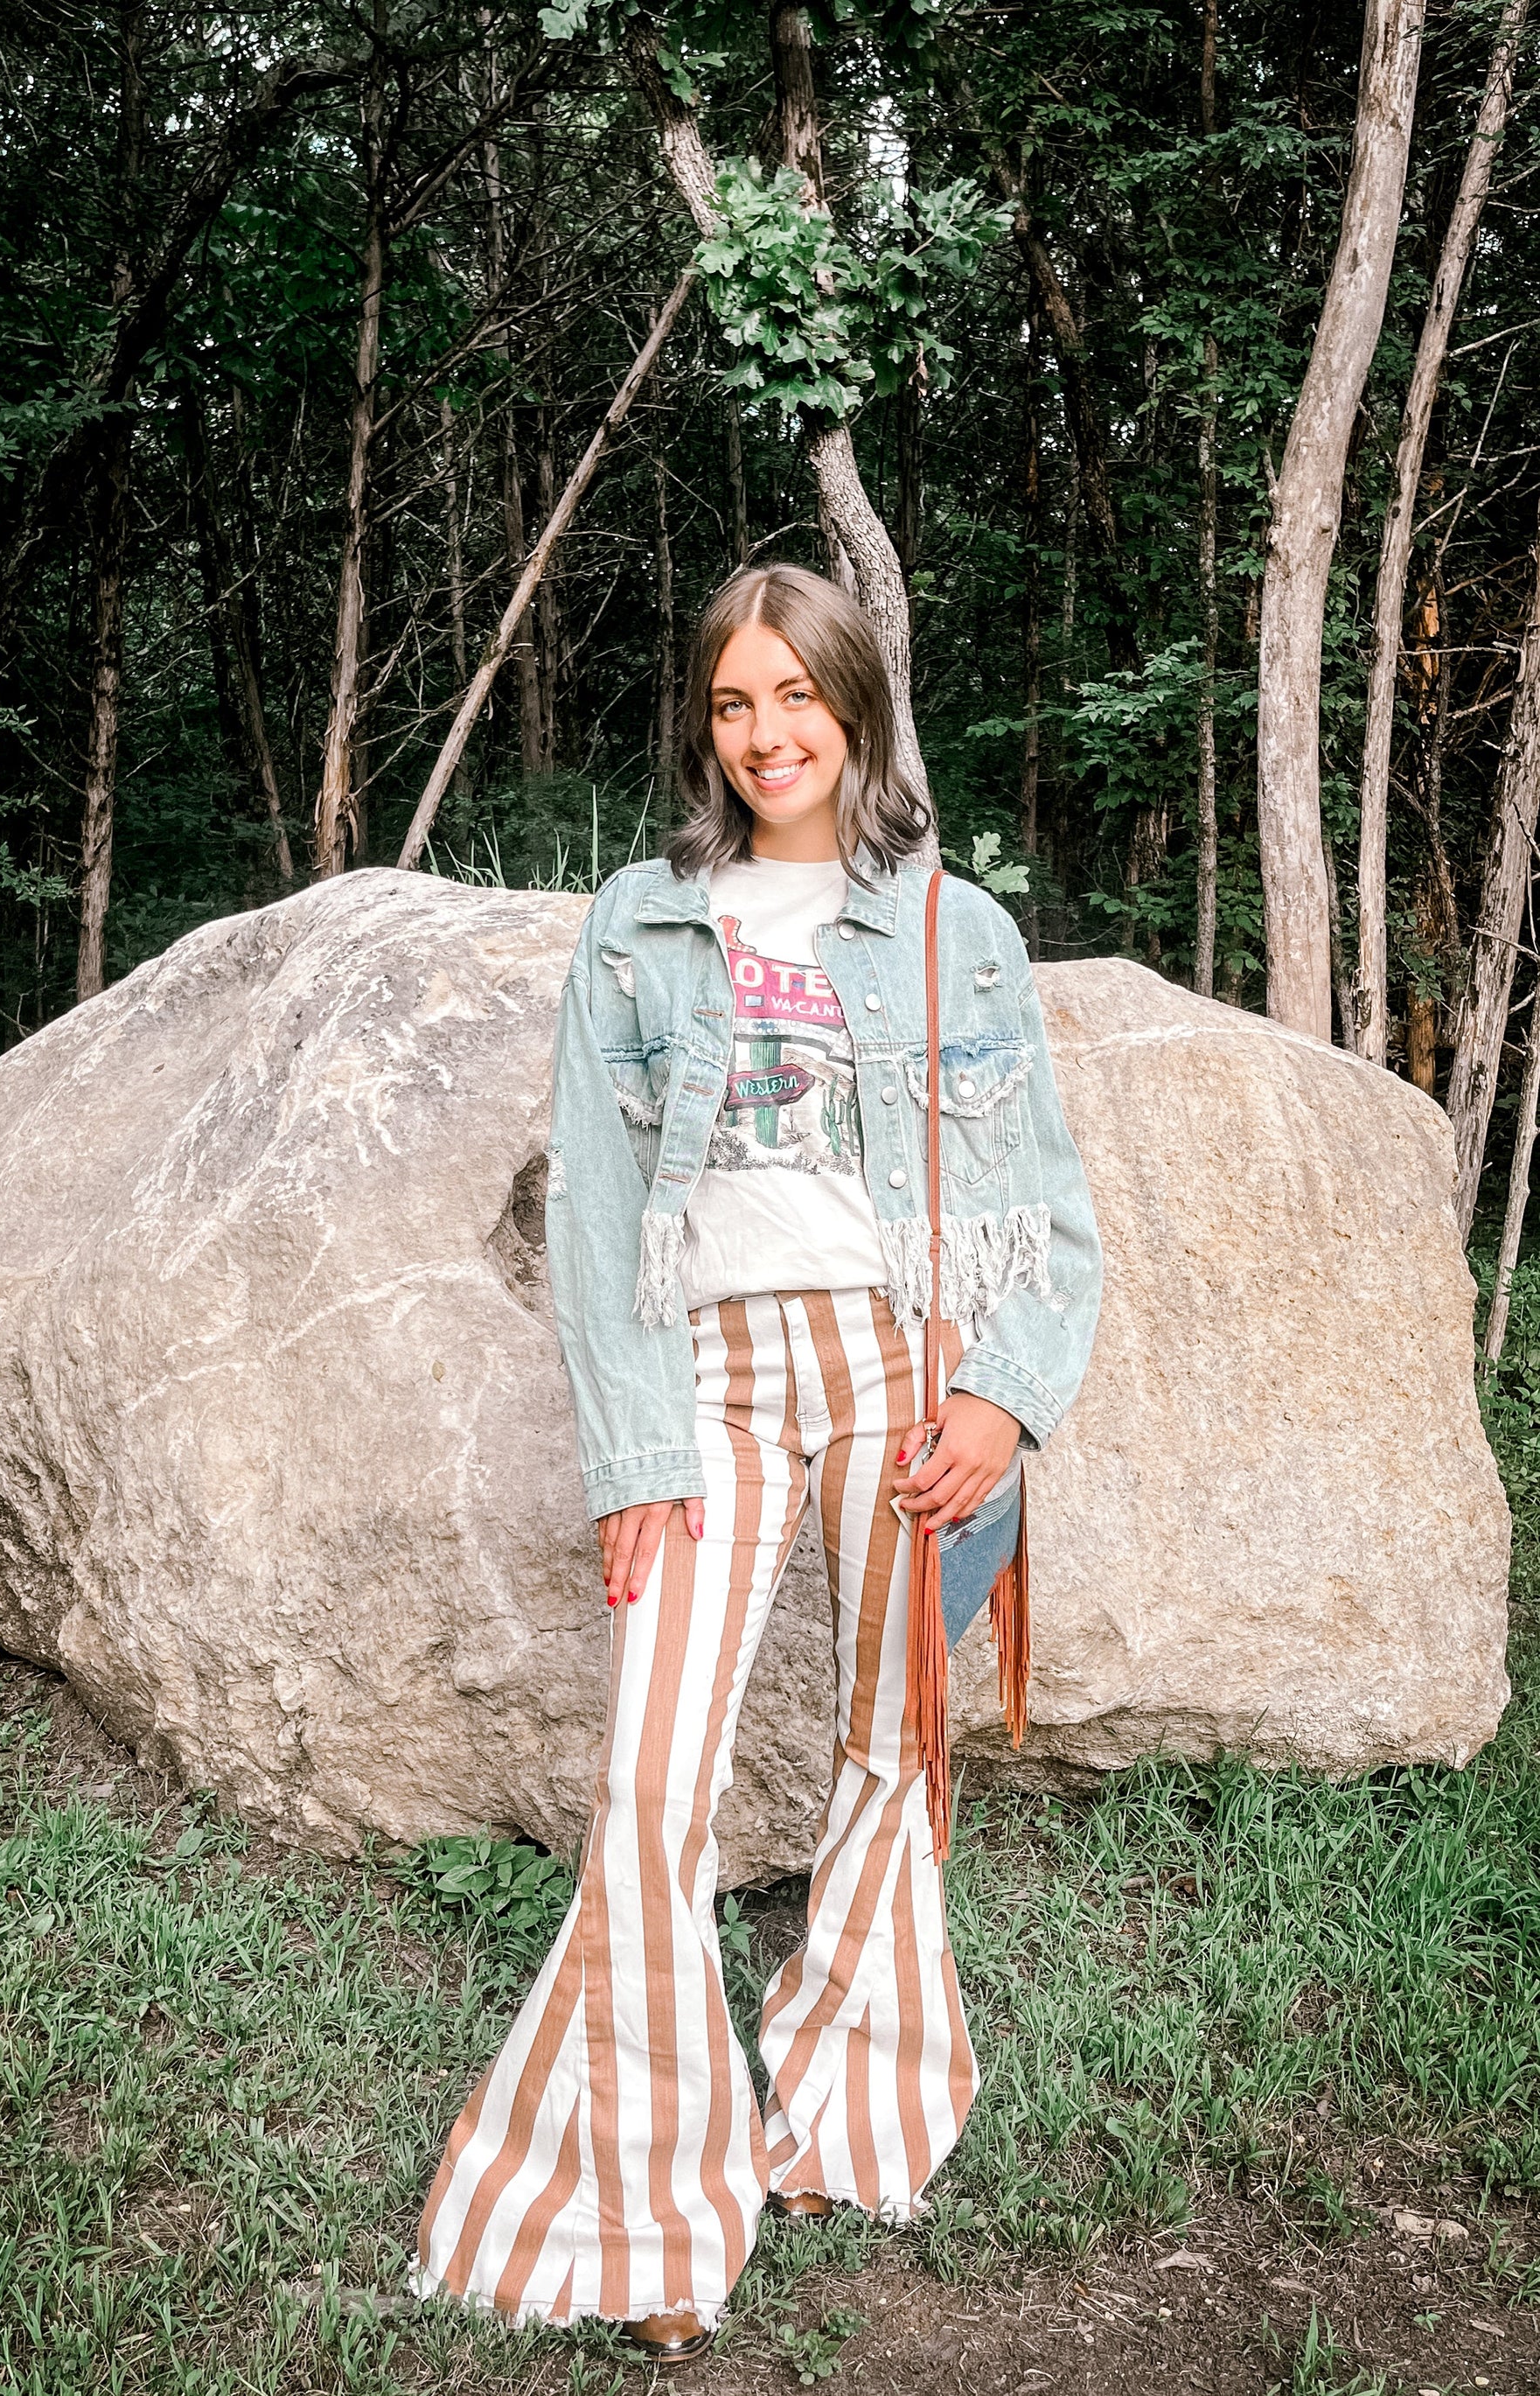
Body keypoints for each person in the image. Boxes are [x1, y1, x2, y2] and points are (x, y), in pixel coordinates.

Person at [414, 562, 1102, 2361]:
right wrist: (632, 1450)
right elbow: (597, 1203)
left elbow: (1036, 1195)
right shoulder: (641, 920)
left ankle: (843, 2116)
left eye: (796, 694)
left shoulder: (958, 928)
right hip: (705, 1367)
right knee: (653, 1782)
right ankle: (632, 2209)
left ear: (856, 708)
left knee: (892, 1743)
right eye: (733, 701)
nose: (767, 731)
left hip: (899, 1363)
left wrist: (1002, 1397)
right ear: (705, 725)